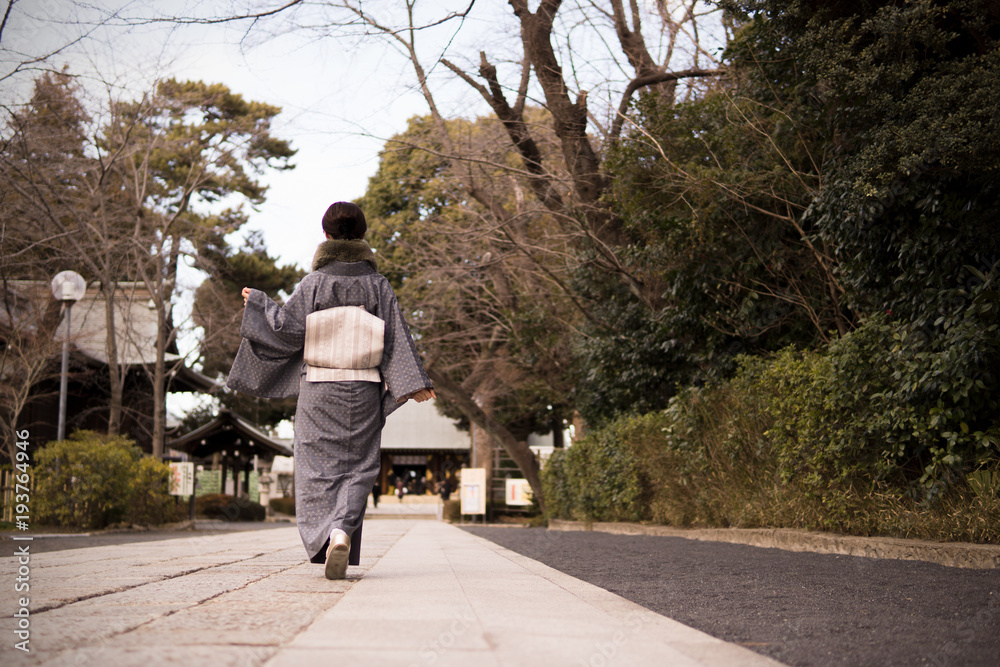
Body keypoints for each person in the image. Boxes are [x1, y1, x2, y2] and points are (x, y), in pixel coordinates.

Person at [226, 201, 435, 579]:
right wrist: (413, 382)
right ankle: (342, 530)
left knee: (314, 471)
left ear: (326, 235)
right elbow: (395, 338)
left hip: (319, 389)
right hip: (363, 387)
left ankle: (326, 538)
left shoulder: (314, 283)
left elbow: (288, 330)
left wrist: (258, 304)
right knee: (360, 467)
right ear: (363, 235)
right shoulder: (378, 285)